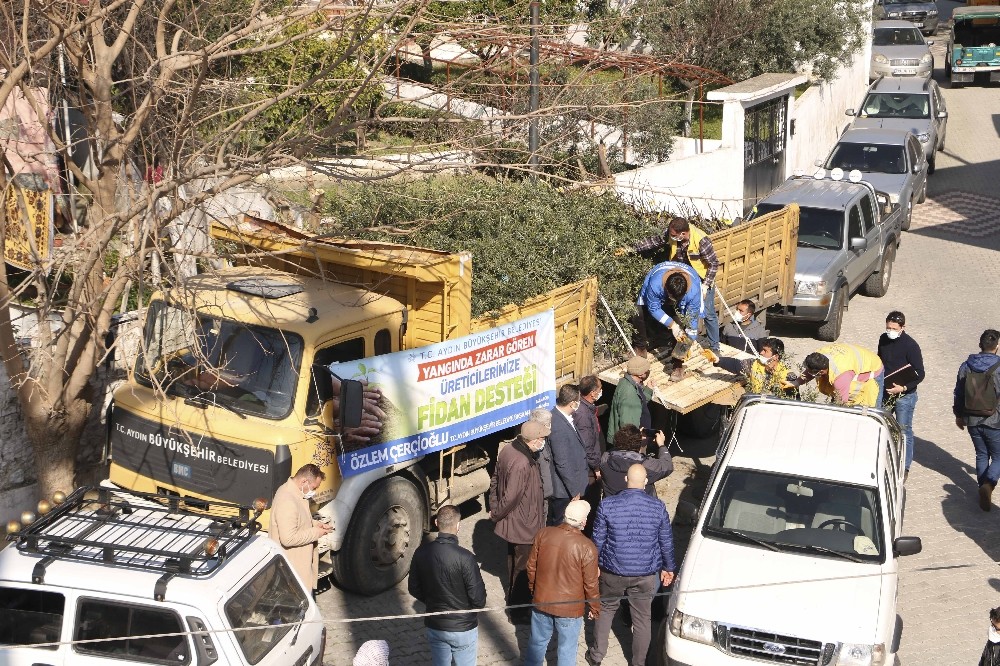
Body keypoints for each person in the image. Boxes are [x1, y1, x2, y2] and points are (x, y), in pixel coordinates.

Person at [587, 464, 676, 666]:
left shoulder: (607, 505)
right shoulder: (658, 506)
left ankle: (596, 656)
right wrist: (669, 568)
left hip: (612, 570)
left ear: (626, 480)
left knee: (606, 610)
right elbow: (666, 541)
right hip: (645, 574)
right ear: (646, 482)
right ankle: (639, 662)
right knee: (643, 619)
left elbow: (597, 540)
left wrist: (593, 566)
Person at [408, 505, 487, 666]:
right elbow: (478, 600)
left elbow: (413, 587)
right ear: (458, 526)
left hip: (436, 625)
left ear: (436, 522)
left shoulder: (421, 552)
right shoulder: (466, 558)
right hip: (464, 628)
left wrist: (431, 600)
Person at [525, 500, 600, 666]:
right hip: (570, 609)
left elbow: (531, 567)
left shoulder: (543, 534)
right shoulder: (587, 547)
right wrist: (594, 607)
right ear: (583, 522)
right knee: (567, 649)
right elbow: (591, 583)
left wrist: (534, 590)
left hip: (542, 600)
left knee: (536, 643)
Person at [488, 419, 548, 622]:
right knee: (523, 569)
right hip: (523, 524)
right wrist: (496, 512)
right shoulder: (522, 462)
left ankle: (514, 600)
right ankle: (519, 610)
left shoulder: (507, 450)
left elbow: (495, 478)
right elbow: (512, 497)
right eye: (542, 438)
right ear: (532, 440)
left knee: (513, 562)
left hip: (516, 522)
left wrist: (494, 505)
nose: (543, 442)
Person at [635, 218, 721, 352]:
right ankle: (680, 340)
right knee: (680, 310)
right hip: (679, 278)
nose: (671, 237)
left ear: (683, 234)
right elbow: (654, 241)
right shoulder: (673, 234)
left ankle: (715, 346)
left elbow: (714, 264)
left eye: (674, 235)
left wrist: (705, 285)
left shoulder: (701, 241)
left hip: (701, 280)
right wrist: (631, 248)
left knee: (708, 314)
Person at [954, 329, 1000, 512]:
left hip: (972, 418)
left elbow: (958, 393)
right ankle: (988, 485)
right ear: (997, 347)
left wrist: (958, 415)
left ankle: (982, 488)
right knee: (998, 456)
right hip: (995, 420)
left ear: (980, 345)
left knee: (981, 454)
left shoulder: (966, 366)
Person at [269, 464, 333, 592]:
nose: (314, 491)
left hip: (297, 570)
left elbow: (298, 520)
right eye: (314, 487)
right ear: (304, 481)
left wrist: (315, 524)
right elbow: (288, 539)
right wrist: (316, 533)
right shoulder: (288, 501)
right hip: (292, 573)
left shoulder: (294, 492)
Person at [877, 311, 925, 477]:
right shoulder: (883, 339)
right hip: (886, 393)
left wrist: (903, 388)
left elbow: (920, 373)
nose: (890, 331)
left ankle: (904, 467)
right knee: (883, 427)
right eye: (888, 327)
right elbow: (880, 361)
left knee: (904, 431)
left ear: (902, 328)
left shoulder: (911, 346)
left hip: (905, 396)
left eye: (894, 328)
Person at [635, 260, 703, 352]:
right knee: (638, 311)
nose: (672, 301)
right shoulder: (655, 284)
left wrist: (688, 342)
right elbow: (654, 308)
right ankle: (641, 348)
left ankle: (677, 357)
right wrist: (673, 325)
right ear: (666, 289)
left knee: (683, 320)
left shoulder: (694, 292)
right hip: (657, 278)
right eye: (671, 297)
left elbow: (692, 320)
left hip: (691, 285)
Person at [548, 384, 590, 526]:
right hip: (564, 491)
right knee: (562, 524)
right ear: (572, 403)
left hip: (569, 486)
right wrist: (575, 490)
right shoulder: (558, 426)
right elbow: (562, 462)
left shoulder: (561, 416)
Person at [796, 343, 884, 408]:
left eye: (814, 373)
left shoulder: (840, 376)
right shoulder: (818, 356)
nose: (810, 373)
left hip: (873, 368)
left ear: (822, 371)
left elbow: (841, 405)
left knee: (872, 410)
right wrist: (796, 382)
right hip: (851, 359)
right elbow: (810, 371)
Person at [600, 425, 673, 497]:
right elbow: (668, 465)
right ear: (639, 445)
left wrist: (634, 437)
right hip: (641, 505)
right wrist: (661, 445)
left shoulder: (605, 460)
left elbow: (614, 451)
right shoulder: (646, 466)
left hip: (613, 505)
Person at [713, 337, 797, 398]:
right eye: (762, 349)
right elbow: (736, 365)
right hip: (754, 403)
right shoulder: (754, 364)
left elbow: (794, 400)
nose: (761, 352)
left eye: (765, 351)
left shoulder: (788, 376)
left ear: (776, 357)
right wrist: (718, 360)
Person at [573, 375, 605, 530]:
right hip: (588, 471)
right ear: (592, 393)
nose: (601, 392)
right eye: (599, 389)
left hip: (586, 467)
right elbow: (588, 446)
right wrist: (597, 468)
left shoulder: (583, 407)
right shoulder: (584, 415)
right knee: (589, 508)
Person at [606, 356, 653, 448]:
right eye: (647, 371)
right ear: (641, 374)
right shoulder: (629, 393)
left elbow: (639, 403)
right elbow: (628, 425)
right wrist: (635, 441)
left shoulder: (630, 383)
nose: (648, 372)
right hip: (632, 444)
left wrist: (648, 390)